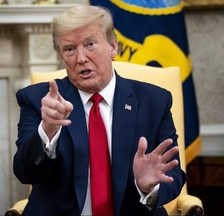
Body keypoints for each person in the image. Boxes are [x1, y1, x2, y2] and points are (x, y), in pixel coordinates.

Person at [14, 5, 186, 216]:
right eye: (69, 49)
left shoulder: (154, 101)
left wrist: (148, 186)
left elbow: (174, 174)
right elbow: (25, 172)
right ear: (61, 55)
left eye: (90, 44)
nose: (81, 58)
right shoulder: (41, 101)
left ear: (113, 47)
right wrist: (47, 131)